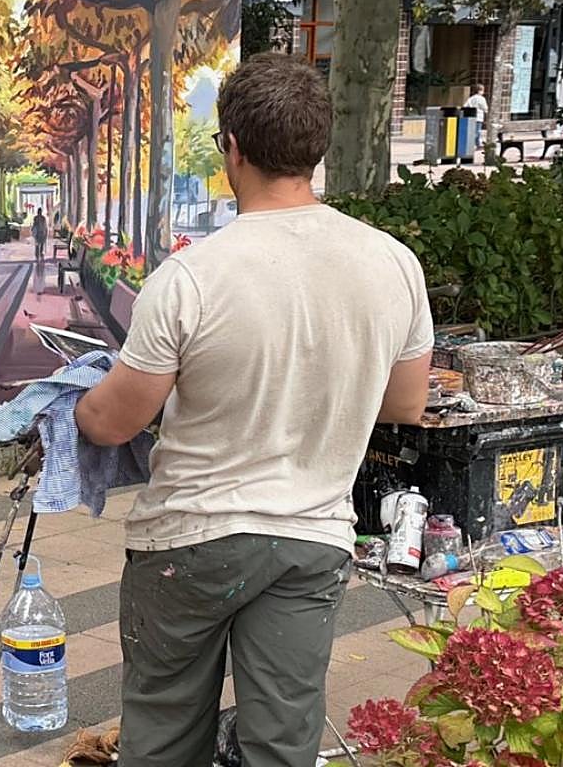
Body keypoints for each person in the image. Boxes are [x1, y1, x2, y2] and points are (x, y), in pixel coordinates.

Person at [74, 53, 433, 767]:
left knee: (166, 738)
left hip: (190, 540)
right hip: (312, 539)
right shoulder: (392, 262)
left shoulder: (192, 277)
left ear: (232, 148)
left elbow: (113, 422)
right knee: (281, 745)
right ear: (317, 149)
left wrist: (79, 405)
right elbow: (406, 404)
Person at [464, 83, 488, 150]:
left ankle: (477, 144)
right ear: (479, 91)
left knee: (473, 131)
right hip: (479, 117)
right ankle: (474, 144)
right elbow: (485, 108)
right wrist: (486, 111)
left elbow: (465, 106)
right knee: (477, 131)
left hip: (471, 116)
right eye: (483, 90)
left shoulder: (471, 98)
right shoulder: (482, 99)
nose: (483, 92)